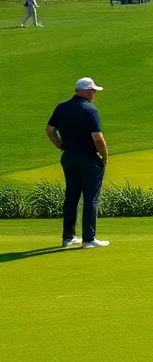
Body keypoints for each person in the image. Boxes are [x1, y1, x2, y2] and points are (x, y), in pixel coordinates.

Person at [46, 78, 109, 248]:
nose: (94, 94)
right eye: (93, 91)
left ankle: (68, 237)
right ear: (86, 91)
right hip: (88, 157)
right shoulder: (90, 110)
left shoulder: (61, 107)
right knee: (91, 198)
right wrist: (104, 156)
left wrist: (61, 146)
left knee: (71, 197)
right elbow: (98, 137)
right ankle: (89, 239)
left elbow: (50, 130)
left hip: (68, 157)